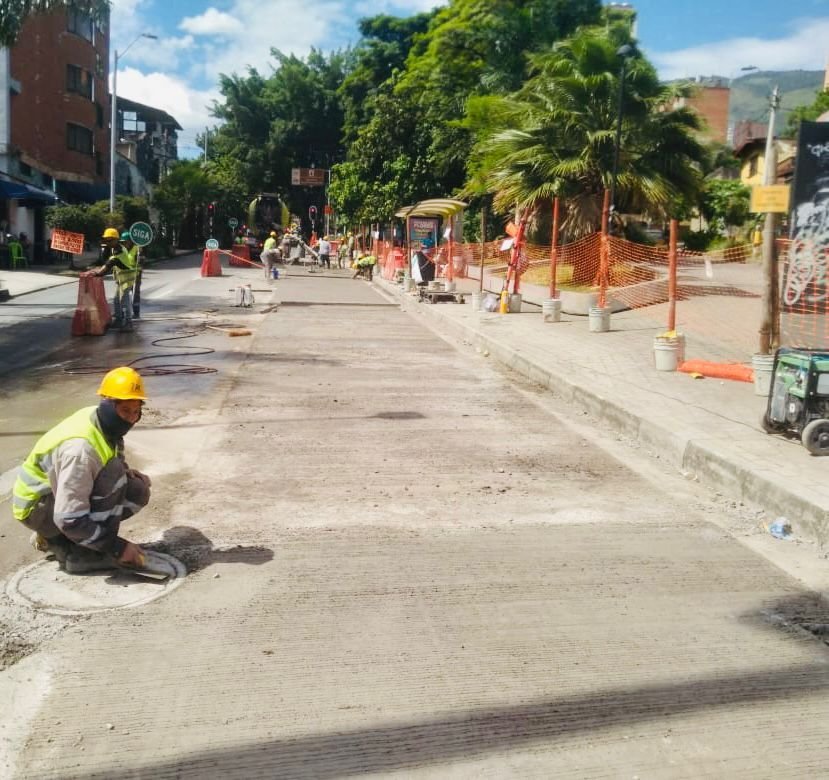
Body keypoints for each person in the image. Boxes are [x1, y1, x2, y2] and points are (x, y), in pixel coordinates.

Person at [13, 367, 151, 575]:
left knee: (135, 488)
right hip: (38, 509)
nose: (131, 419)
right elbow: (69, 518)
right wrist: (117, 547)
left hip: (52, 499)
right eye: (125, 411)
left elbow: (110, 451)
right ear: (107, 403)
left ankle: (57, 540)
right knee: (113, 475)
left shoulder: (98, 419)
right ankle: (83, 555)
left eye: (136, 411)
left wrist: (125, 470)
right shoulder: (79, 451)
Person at [93, 231, 139, 331]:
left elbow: (110, 263)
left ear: (116, 240)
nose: (107, 242)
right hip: (121, 279)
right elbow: (108, 261)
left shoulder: (120, 251)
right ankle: (118, 320)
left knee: (124, 300)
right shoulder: (115, 248)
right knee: (116, 300)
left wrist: (99, 273)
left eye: (109, 240)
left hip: (127, 279)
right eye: (106, 240)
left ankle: (128, 322)